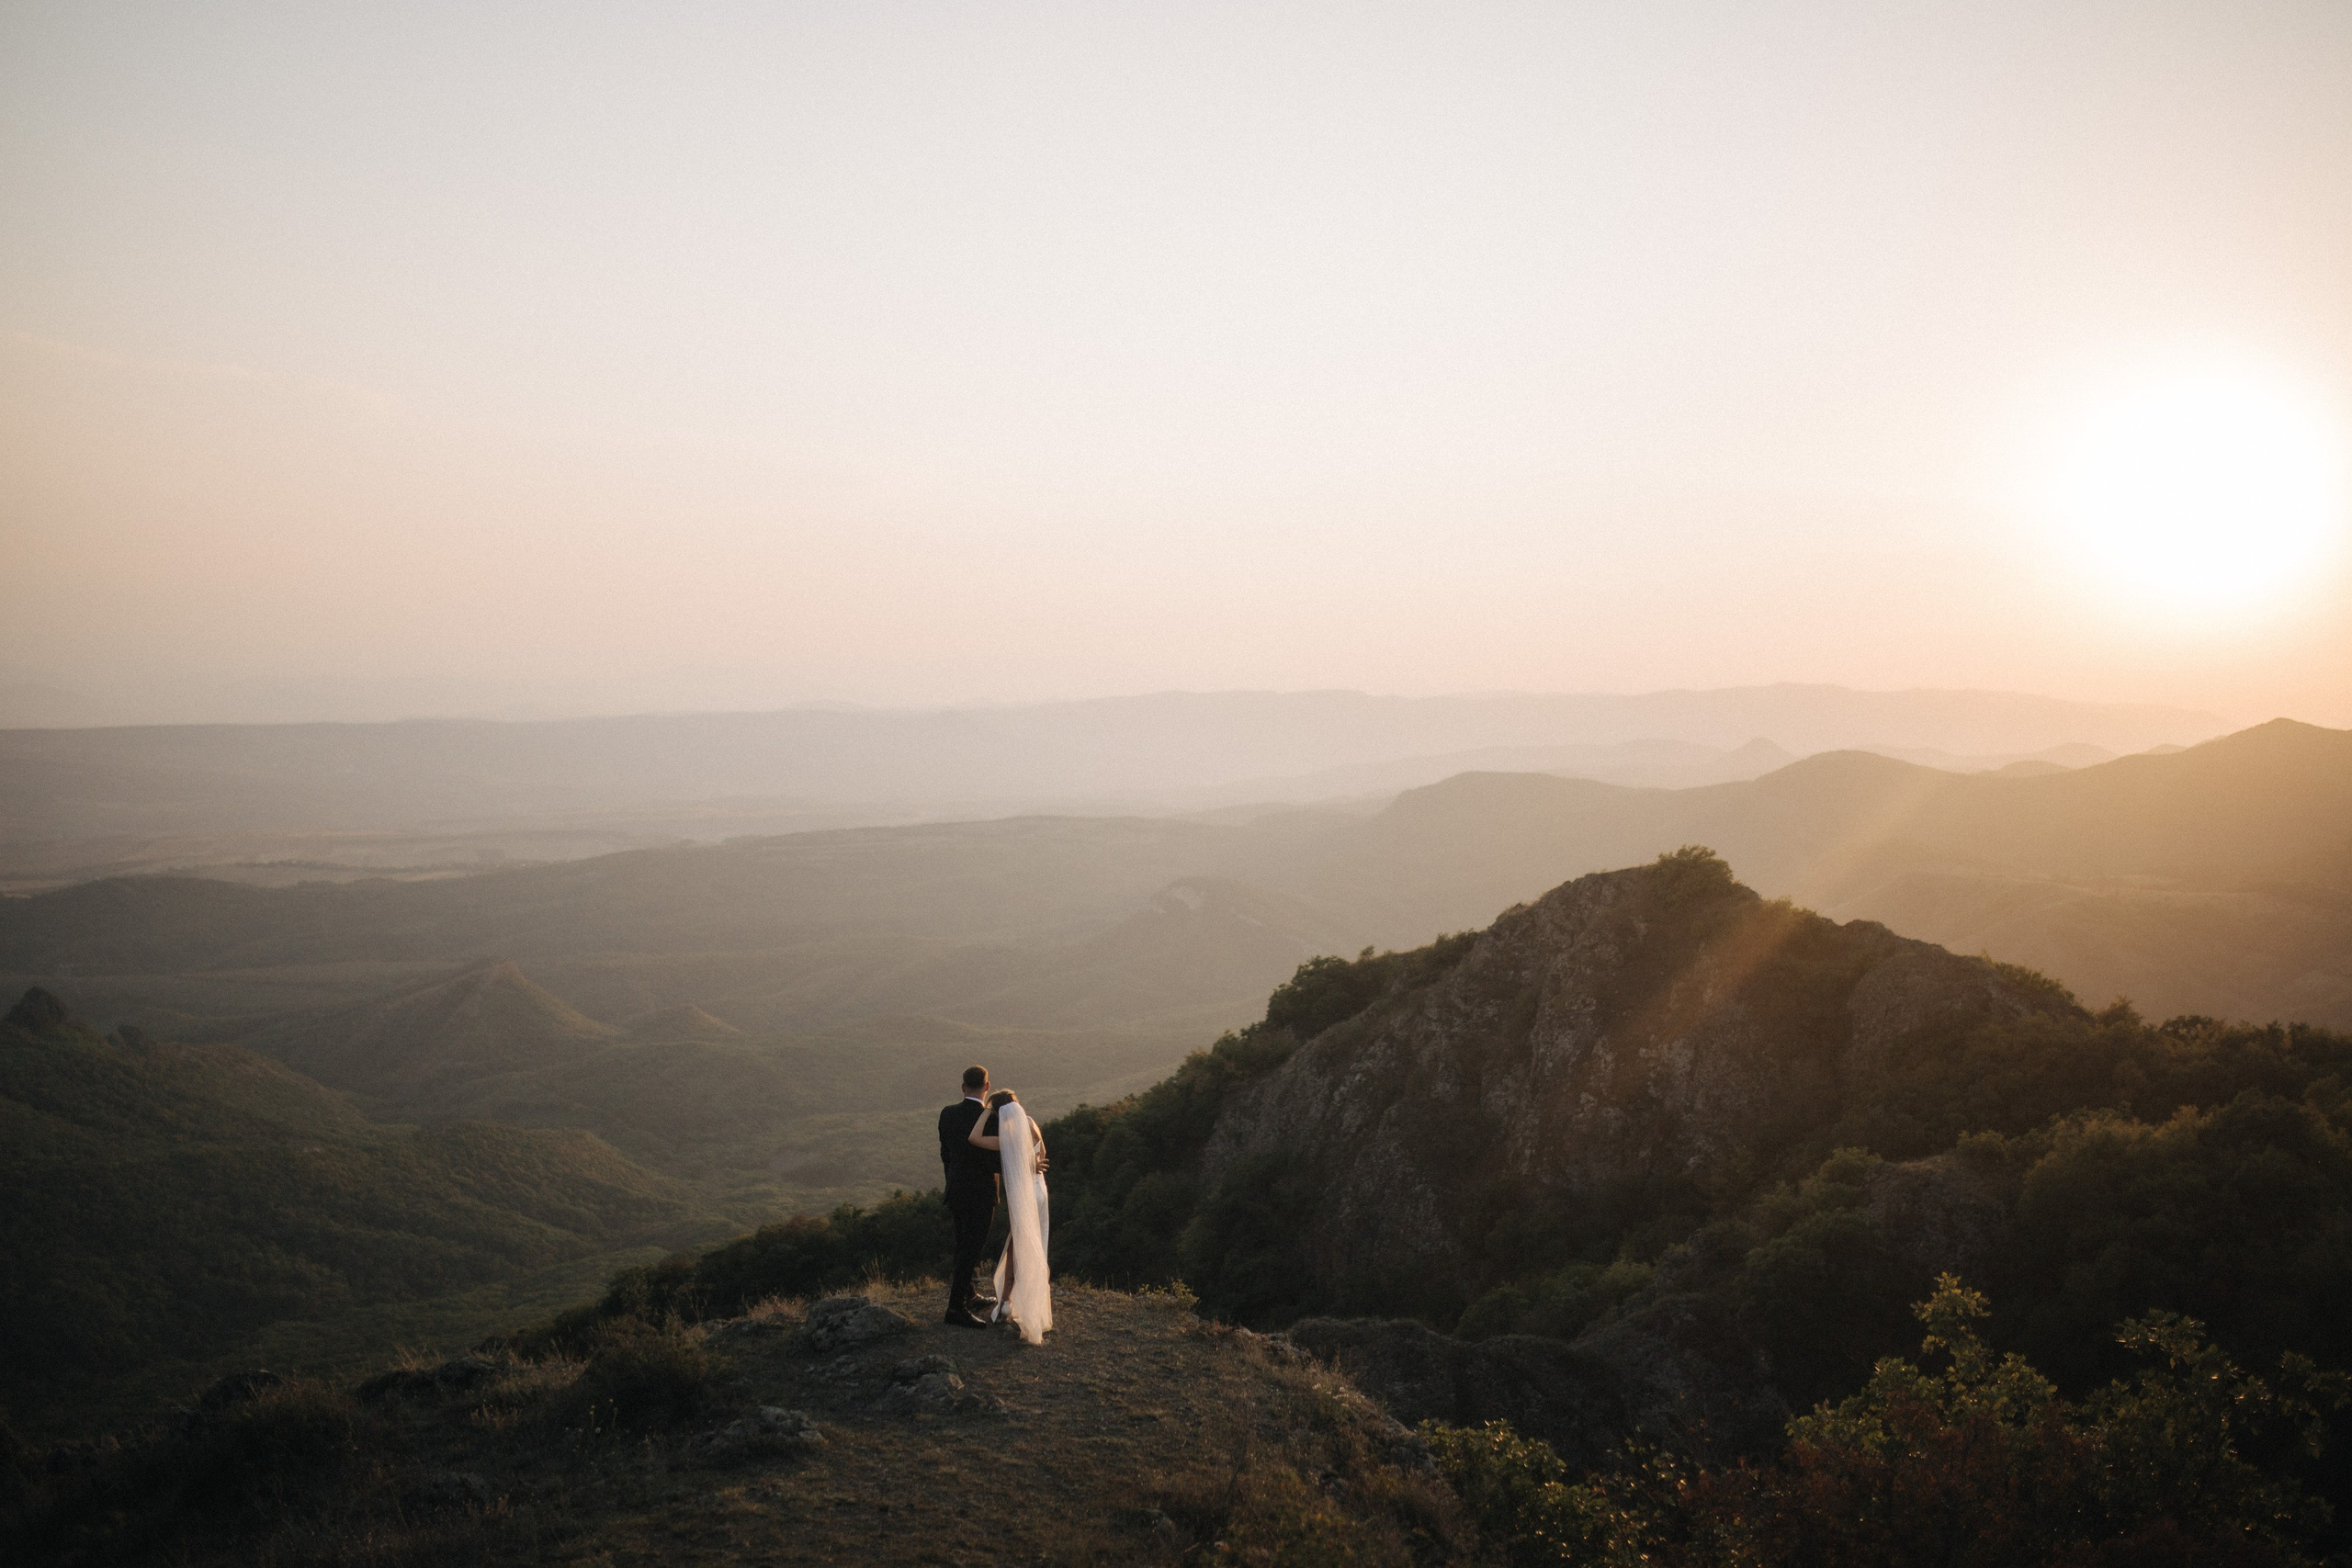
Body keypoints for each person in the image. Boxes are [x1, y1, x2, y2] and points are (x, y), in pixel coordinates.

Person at [967, 1088, 1052, 1344]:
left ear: (1000, 1112)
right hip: (1039, 1190)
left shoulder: (1006, 1137)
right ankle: (1011, 1301)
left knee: (1018, 1248)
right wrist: (1032, 1164)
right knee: (1030, 1244)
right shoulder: (1029, 1124)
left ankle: (1010, 1302)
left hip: (1023, 1197)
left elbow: (974, 1138)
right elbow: (1043, 1152)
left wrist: (987, 1111)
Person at [936, 1066, 998, 1327]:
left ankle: (969, 1295)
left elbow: (946, 1154)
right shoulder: (991, 1118)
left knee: (962, 1245)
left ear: (963, 1087)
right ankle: (955, 1309)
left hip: (956, 1190)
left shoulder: (947, 1114)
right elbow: (997, 1161)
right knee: (970, 1251)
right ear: (987, 1086)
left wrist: (952, 1181)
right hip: (980, 1194)